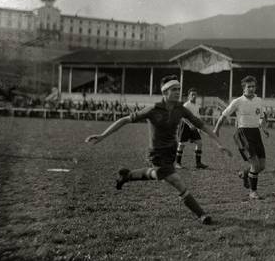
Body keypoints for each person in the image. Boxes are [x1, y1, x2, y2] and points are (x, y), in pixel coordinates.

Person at [85, 75, 232, 225]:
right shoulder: (153, 109)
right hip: (156, 153)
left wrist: (219, 143)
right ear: (165, 92)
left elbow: (202, 125)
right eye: (174, 89)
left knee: (157, 174)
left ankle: (127, 175)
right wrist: (102, 136)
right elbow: (125, 120)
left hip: (171, 152)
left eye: (179, 89)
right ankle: (201, 214)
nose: (177, 92)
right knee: (176, 180)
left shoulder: (181, 109)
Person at [214, 75, 270, 200]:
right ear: (243, 88)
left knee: (262, 166)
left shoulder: (259, 100)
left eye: (253, 86)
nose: (251, 89)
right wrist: (216, 129)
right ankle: (253, 191)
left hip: (256, 133)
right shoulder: (237, 101)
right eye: (248, 86)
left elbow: (262, 117)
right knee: (255, 164)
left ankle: (245, 174)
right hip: (243, 133)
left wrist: (264, 128)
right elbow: (224, 115)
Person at [175, 88, 209, 169]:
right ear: (189, 96)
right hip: (185, 126)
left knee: (199, 143)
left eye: (195, 95)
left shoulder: (197, 105)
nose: (194, 96)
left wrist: (200, 127)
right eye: (192, 95)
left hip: (194, 126)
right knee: (181, 145)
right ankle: (177, 163)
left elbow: (198, 117)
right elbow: (183, 117)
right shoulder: (186, 105)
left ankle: (198, 163)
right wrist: (190, 124)